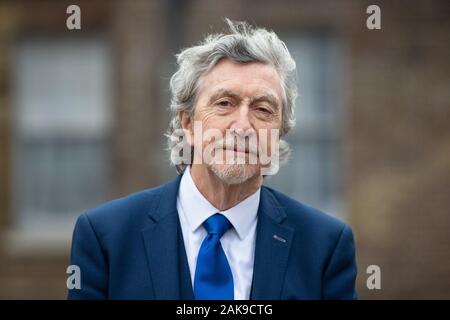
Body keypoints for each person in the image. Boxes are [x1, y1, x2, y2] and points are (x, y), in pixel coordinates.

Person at [68, 19, 357, 300]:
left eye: (263, 109)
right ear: (188, 123)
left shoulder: (324, 247)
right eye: (224, 104)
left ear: (279, 133)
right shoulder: (105, 237)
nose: (243, 127)